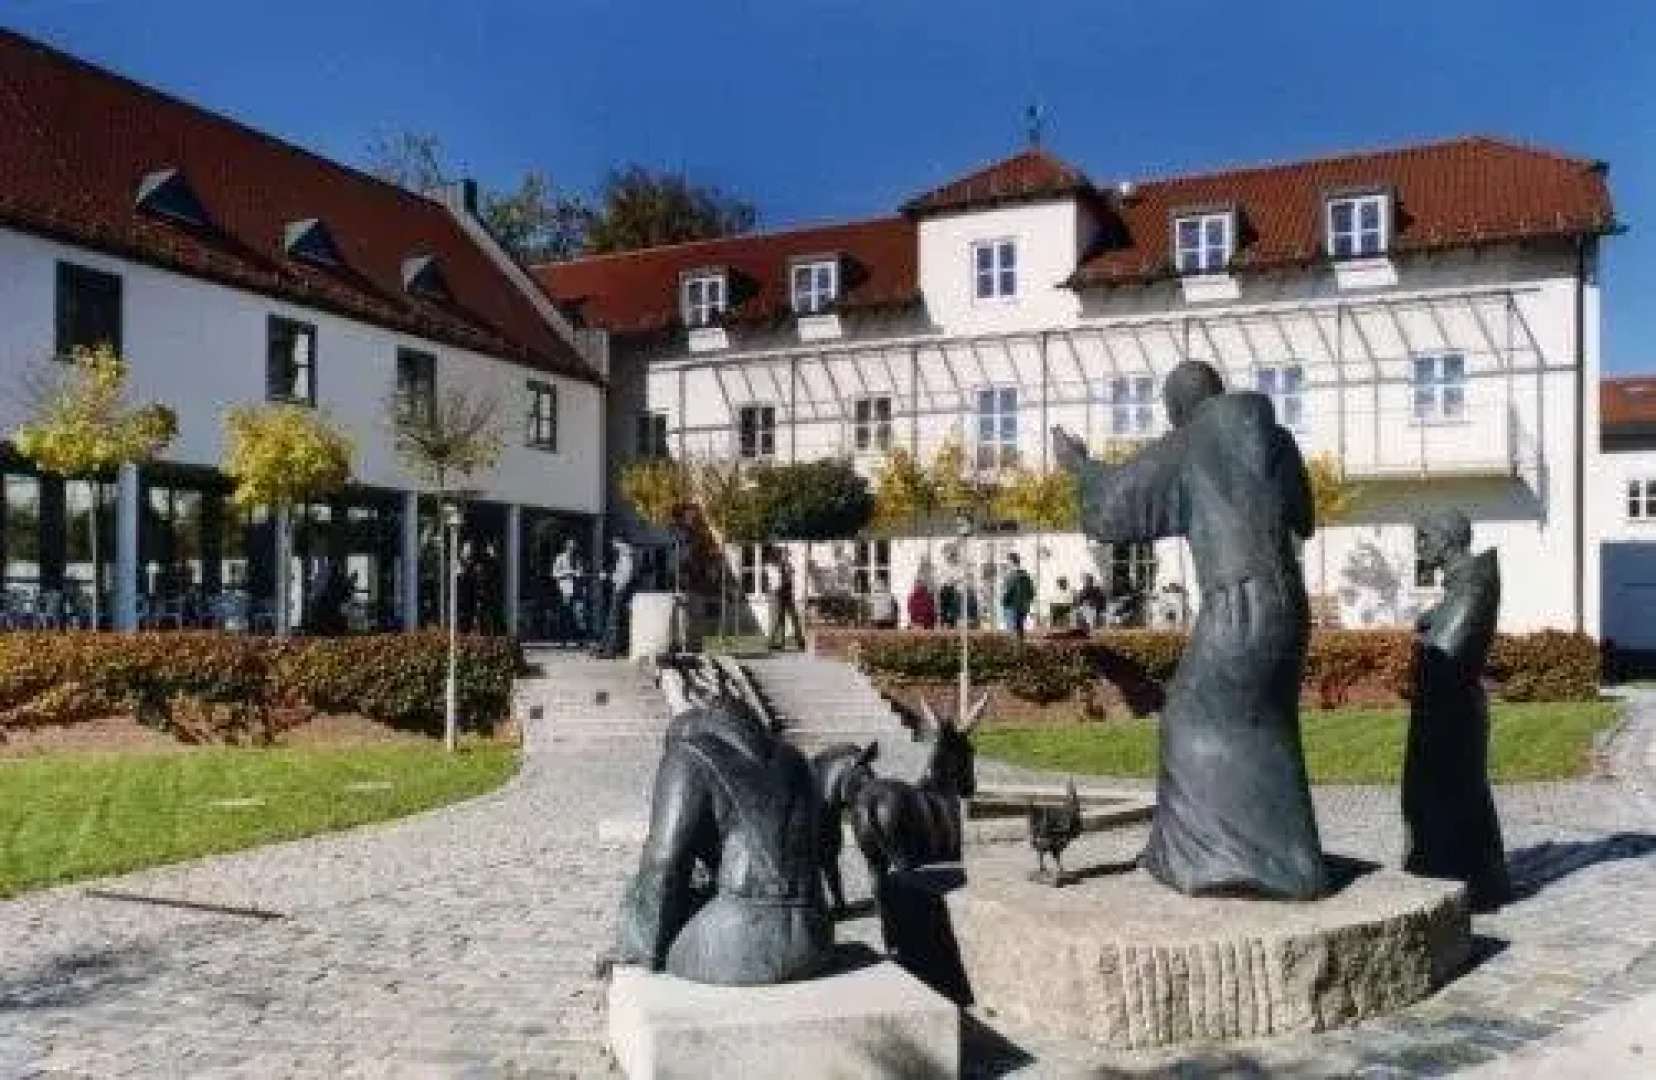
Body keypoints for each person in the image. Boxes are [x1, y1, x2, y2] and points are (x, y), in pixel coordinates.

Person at [1054, 359, 1325, 900]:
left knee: (1188, 718)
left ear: (1179, 405)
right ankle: (1290, 858)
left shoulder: (1191, 441)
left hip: (1238, 602)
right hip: (1290, 606)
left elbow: (1114, 505)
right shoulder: (1275, 438)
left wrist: (1079, 465)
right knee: (1262, 721)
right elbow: (1306, 516)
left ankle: (1215, 861)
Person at [1403, 509, 1510, 911]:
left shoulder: (1472, 587)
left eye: (1425, 536)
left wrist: (1425, 640)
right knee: (1442, 800)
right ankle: (1456, 875)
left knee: (1447, 798)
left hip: (1450, 715)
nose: (1421, 546)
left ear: (1447, 540)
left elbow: (1445, 657)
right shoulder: (1460, 587)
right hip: (1444, 711)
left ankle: (1456, 884)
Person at [594, 538, 635, 659]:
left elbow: (624, 577)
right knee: (612, 620)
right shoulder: (624, 557)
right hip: (619, 589)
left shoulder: (626, 558)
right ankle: (605, 648)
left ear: (621, 543)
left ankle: (610, 651)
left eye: (615, 543)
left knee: (613, 621)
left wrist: (607, 577)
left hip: (619, 590)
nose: (613, 546)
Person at [766, 547, 805, 651]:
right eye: (781, 554)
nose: (783, 556)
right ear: (776, 555)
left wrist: (788, 568)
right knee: (777, 619)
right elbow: (776, 581)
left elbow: (791, 574)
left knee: (794, 617)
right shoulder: (771, 566)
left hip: (787, 593)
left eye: (784, 554)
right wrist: (785, 573)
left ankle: (800, 642)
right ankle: (773, 642)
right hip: (777, 593)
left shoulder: (786, 565)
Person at [552, 537, 585, 645]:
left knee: (579, 614)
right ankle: (563, 640)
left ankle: (580, 640)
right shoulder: (560, 558)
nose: (572, 549)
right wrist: (566, 573)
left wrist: (579, 574)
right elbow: (554, 574)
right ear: (566, 547)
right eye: (570, 547)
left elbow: (581, 573)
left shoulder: (578, 559)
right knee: (565, 614)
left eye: (574, 547)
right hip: (565, 590)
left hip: (577, 590)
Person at [1000, 552, 1035, 642]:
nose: (1006, 564)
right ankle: (1020, 651)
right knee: (1020, 631)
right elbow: (1032, 593)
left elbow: (1007, 592)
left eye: (1007, 562)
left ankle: (1014, 652)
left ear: (1011, 562)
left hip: (1011, 607)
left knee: (1012, 633)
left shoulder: (1011, 576)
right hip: (1023, 607)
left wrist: (1003, 602)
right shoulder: (1026, 576)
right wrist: (1026, 603)